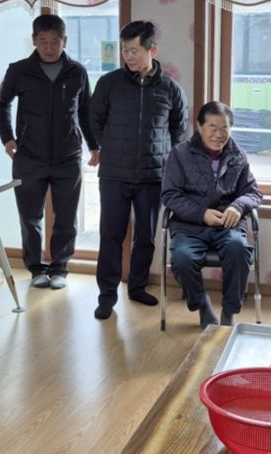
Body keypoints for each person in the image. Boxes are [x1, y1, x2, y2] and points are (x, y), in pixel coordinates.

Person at [90, 20, 188, 320]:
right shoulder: (109, 84)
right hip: (114, 175)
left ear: (152, 50)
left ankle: (137, 287)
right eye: (125, 50)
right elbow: (94, 120)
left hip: (152, 176)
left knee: (145, 237)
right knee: (111, 236)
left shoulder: (171, 89)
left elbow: (178, 129)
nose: (128, 56)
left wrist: (165, 159)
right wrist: (105, 147)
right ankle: (106, 296)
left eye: (134, 51)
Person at [0, 14, 99, 290]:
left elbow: (85, 110)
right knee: (30, 217)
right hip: (29, 156)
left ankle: (60, 268)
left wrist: (93, 144)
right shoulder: (19, 70)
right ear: (34, 40)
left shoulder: (77, 71)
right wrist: (7, 138)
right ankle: (36, 268)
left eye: (55, 41)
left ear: (65, 41)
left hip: (68, 156)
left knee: (66, 216)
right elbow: (1, 105)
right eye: (43, 41)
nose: (49, 47)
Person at [161, 101, 262, 328]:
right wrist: (201, 214)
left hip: (227, 226)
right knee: (182, 259)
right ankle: (202, 305)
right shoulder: (180, 153)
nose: (219, 134)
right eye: (213, 127)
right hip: (189, 226)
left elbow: (253, 192)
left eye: (224, 128)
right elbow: (170, 195)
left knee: (239, 249)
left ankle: (230, 310)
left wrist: (237, 206)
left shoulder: (238, 155)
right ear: (199, 126)